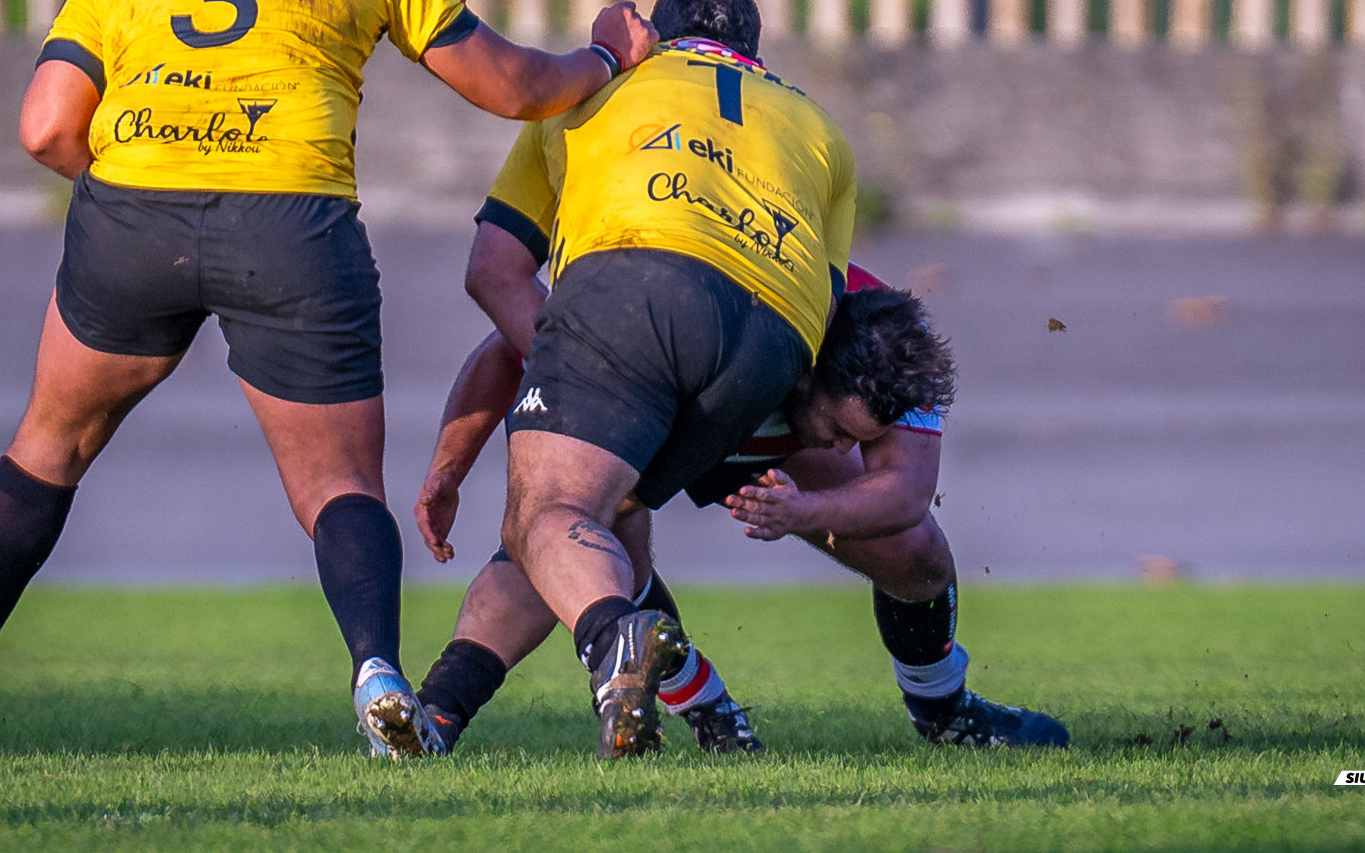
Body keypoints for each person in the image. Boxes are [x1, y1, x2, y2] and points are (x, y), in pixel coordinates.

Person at [0, 0, 657, 759]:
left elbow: (44, 126)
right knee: (336, 484)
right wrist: (604, 59)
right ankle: (379, 674)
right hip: (290, 220)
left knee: (49, 445)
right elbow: (513, 89)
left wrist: (133, 186)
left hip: (133, 213)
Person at [412, 266, 1070, 754]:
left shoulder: (904, 352)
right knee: (571, 529)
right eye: (839, 428)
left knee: (917, 551)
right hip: (672, 385)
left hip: (757, 423)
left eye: (860, 437)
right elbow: (507, 345)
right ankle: (440, 710)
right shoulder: (691, 296)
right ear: (807, 367)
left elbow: (902, 494)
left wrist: (803, 508)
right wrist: (449, 464)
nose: (846, 447)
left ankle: (943, 709)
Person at [456, 0, 860, 758]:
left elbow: (494, 270)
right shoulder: (821, 131)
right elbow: (830, 306)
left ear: (655, 38)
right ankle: (441, 716)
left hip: (639, 281)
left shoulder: (591, 90)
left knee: (549, 516)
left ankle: (616, 645)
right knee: (606, 516)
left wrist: (581, 381)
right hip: (773, 342)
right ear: (753, 48)